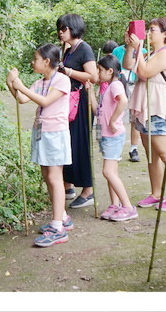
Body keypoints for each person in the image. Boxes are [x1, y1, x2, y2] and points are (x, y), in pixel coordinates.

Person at [7, 44, 73, 247]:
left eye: (35, 59)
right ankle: (61, 217)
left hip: (55, 134)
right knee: (47, 175)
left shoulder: (62, 80)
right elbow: (22, 99)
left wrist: (19, 84)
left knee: (55, 177)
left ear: (47, 61)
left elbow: (44, 101)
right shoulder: (40, 81)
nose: (32, 62)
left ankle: (58, 228)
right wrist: (11, 84)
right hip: (42, 133)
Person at [124, 17, 166, 211]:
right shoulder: (149, 53)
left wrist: (140, 48)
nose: (149, 33)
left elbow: (144, 73)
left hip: (158, 107)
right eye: (148, 29)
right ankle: (156, 193)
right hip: (145, 107)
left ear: (165, 34)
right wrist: (130, 47)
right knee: (151, 154)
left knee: (165, 153)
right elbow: (127, 66)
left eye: (153, 30)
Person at [84, 55, 138, 222]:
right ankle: (114, 204)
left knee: (108, 172)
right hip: (106, 135)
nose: (98, 74)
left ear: (110, 71)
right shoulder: (107, 86)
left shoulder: (115, 85)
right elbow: (96, 110)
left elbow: (123, 101)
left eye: (100, 70)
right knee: (111, 172)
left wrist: (114, 120)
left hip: (113, 135)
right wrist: (90, 92)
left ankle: (128, 207)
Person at [57, 14, 99, 209]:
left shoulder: (84, 49)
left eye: (64, 29)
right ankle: (69, 185)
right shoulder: (69, 49)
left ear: (73, 29)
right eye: (60, 28)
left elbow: (94, 76)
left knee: (80, 144)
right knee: (69, 143)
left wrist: (69, 72)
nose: (61, 32)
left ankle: (88, 190)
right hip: (69, 102)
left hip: (81, 103)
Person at [112, 41, 146, 162]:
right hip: (119, 86)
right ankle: (116, 148)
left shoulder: (143, 52)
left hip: (134, 85)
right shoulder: (117, 51)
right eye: (127, 33)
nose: (129, 36)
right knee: (117, 115)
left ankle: (134, 148)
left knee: (134, 118)